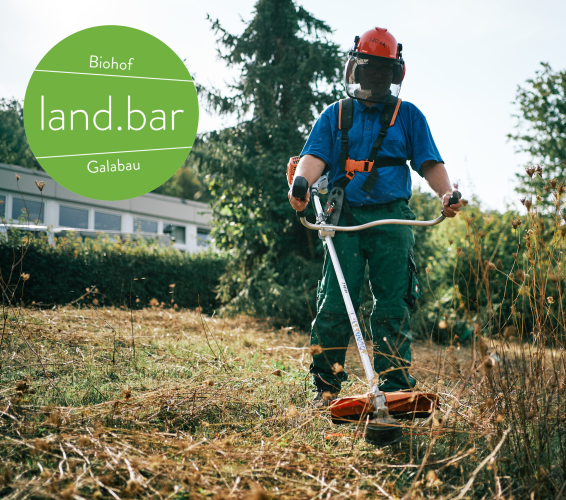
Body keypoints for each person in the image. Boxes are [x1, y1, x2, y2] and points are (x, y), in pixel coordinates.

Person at [288, 27, 462, 405]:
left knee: (392, 304)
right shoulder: (336, 115)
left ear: (395, 74)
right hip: (344, 217)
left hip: (392, 220)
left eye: (384, 70)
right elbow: (314, 157)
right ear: (356, 69)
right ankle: (326, 387)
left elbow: (430, 162)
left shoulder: (409, 116)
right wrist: (301, 185)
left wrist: (446, 193)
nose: (377, 76)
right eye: (370, 68)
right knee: (335, 302)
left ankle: (395, 386)